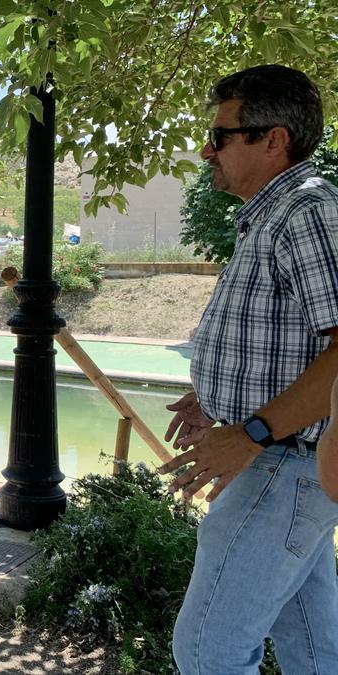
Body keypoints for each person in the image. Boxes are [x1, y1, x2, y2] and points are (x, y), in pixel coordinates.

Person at [158, 65, 338, 674]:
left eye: (222, 135)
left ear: (274, 139)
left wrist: (253, 431)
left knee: (209, 650)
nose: (207, 150)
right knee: (312, 648)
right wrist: (215, 396)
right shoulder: (273, 216)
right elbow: (286, 342)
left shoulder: (306, 212)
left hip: (281, 463)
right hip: (287, 463)